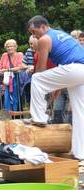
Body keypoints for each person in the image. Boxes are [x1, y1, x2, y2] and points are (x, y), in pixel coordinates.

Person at [27, 15, 84, 161]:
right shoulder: (62, 34)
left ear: (44, 26)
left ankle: (39, 117)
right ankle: (80, 153)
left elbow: (41, 68)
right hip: (79, 71)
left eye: (35, 31)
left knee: (36, 78)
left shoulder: (45, 39)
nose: (34, 36)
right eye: (32, 33)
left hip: (74, 69)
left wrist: (43, 84)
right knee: (80, 112)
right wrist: (55, 85)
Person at [0, 39, 24, 113]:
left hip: (17, 80)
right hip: (7, 81)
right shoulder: (4, 55)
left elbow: (20, 67)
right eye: (8, 47)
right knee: (7, 98)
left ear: (15, 47)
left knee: (17, 98)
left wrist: (7, 70)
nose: (9, 48)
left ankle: (18, 116)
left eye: (11, 46)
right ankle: (9, 115)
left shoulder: (20, 55)